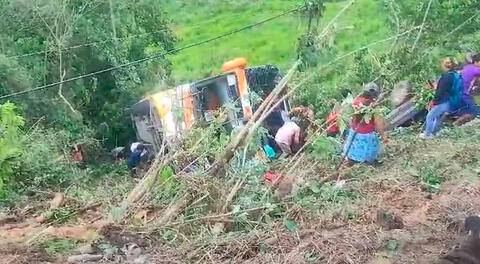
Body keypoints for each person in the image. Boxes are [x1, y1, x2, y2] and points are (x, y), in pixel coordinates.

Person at [343, 83, 387, 164]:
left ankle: (352, 160)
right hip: (366, 136)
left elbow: (350, 119)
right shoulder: (373, 107)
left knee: (353, 153)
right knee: (371, 150)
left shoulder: (356, 102)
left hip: (354, 133)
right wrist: (383, 136)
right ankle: (368, 161)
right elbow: (378, 123)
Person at [421, 57, 462, 139]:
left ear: (445, 65)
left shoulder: (446, 76)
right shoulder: (454, 74)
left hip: (444, 101)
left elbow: (441, 91)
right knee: (438, 117)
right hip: (452, 100)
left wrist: (434, 101)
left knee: (430, 116)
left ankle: (427, 134)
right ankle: (434, 133)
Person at [455, 53, 480, 126]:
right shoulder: (477, 69)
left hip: (458, 92)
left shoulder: (468, 67)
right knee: (473, 112)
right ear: (477, 61)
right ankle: (455, 124)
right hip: (464, 94)